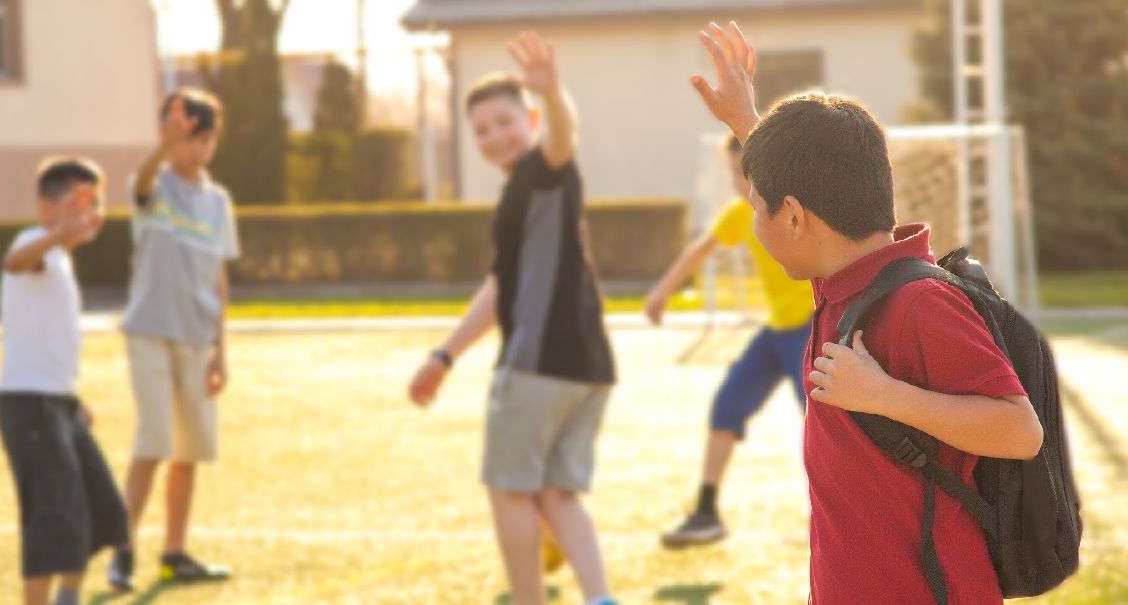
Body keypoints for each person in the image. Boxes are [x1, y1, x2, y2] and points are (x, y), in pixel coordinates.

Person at [689, 21, 1042, 603]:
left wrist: (884, 396)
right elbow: (802, 189)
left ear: (796, 220)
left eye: (759, 208)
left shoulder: (920, 302)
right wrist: (746, 125)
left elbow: (1018, 430)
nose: (755, 221)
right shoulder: (843, 279)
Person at [407, 32, 618, 605]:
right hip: (589, 368)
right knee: (556, 495)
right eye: (480, 129)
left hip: (537, 367)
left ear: (528, 118)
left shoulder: (541, 173)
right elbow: (501, 288)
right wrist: (444, 356)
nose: (493, 136)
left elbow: (561, 141)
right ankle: (601, 599)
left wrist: (553, 94)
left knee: (509, 493)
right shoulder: (520, 195)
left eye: (504, 121)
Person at [647, 136, 814, 548]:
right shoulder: (741, 216)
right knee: (727, 406)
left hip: (811, 330)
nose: (739, 183)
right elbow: (701, 250)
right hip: (776, 333)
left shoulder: (798, 208)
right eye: (733, 173)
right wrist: (663, 290)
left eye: (745, 173)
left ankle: (844, 513)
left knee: (822, 427)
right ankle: (705, 512)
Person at [108, 88, 239, 588]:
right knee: (155, 439)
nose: (196, 149)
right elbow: (141, 179)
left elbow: (219, 280)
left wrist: (220, 352)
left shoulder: (219, 201)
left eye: (205, 139)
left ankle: (175, 553)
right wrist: (163, 146)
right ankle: (123, 551)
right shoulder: (151, 185)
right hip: (149, 332)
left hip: (197, 340)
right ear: (166, 135)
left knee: (189, 452)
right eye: (187, 139)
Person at [0, 157, 128, 605]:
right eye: (78, 202)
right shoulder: (35, 243)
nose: (90, 213)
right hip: (29, 405)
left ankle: (67, 598)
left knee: (99, 506)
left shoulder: (61, 260)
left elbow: (45, 339)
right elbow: (13, 263)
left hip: (57, 403)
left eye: (96, 203)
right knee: (52, 518)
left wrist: (73, 399)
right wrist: (57, 233)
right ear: (45, 208)